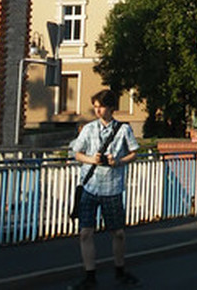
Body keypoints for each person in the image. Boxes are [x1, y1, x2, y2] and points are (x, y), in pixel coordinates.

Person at [70, 89, 140, 289]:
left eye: (100, 106)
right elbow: (77, 153)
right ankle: (89, 275)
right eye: (95, 107)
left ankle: (120, 269)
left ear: (111, 108)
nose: (97, 110)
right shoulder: (89, 129)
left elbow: (134, 152)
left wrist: (118, 161)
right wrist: (92, 159)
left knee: (118, 232)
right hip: (90, 185)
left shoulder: (123, 130)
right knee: (85, 232)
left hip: (112, 186)